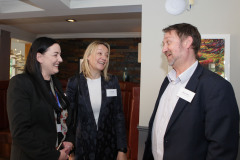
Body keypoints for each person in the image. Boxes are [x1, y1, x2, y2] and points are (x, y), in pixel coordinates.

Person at [143, 23, 239, 160]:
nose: (164, 49)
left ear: (188, 42)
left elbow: (222, 149)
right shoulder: (167, 82)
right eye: (163, 44)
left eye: (168, 42)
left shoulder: (217, 87)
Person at [7, 37, 74, 160]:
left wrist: (68, 140)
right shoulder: (21, 83)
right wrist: (55, 156)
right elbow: (20, 133)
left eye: (60, 54)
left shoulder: (55, 84)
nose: (61, 59)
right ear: (39, 57)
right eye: (56, 55)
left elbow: (63, 118)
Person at [66, 41, 127, 160]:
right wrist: (71, 150)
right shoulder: (75, 82)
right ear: (88, 56)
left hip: (108, 146)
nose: (104, 57)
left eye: (107, 55)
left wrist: (122, 149)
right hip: (82, 147)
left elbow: (118, 116)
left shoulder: (112, 81)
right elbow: (70, 118)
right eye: (100, 53)